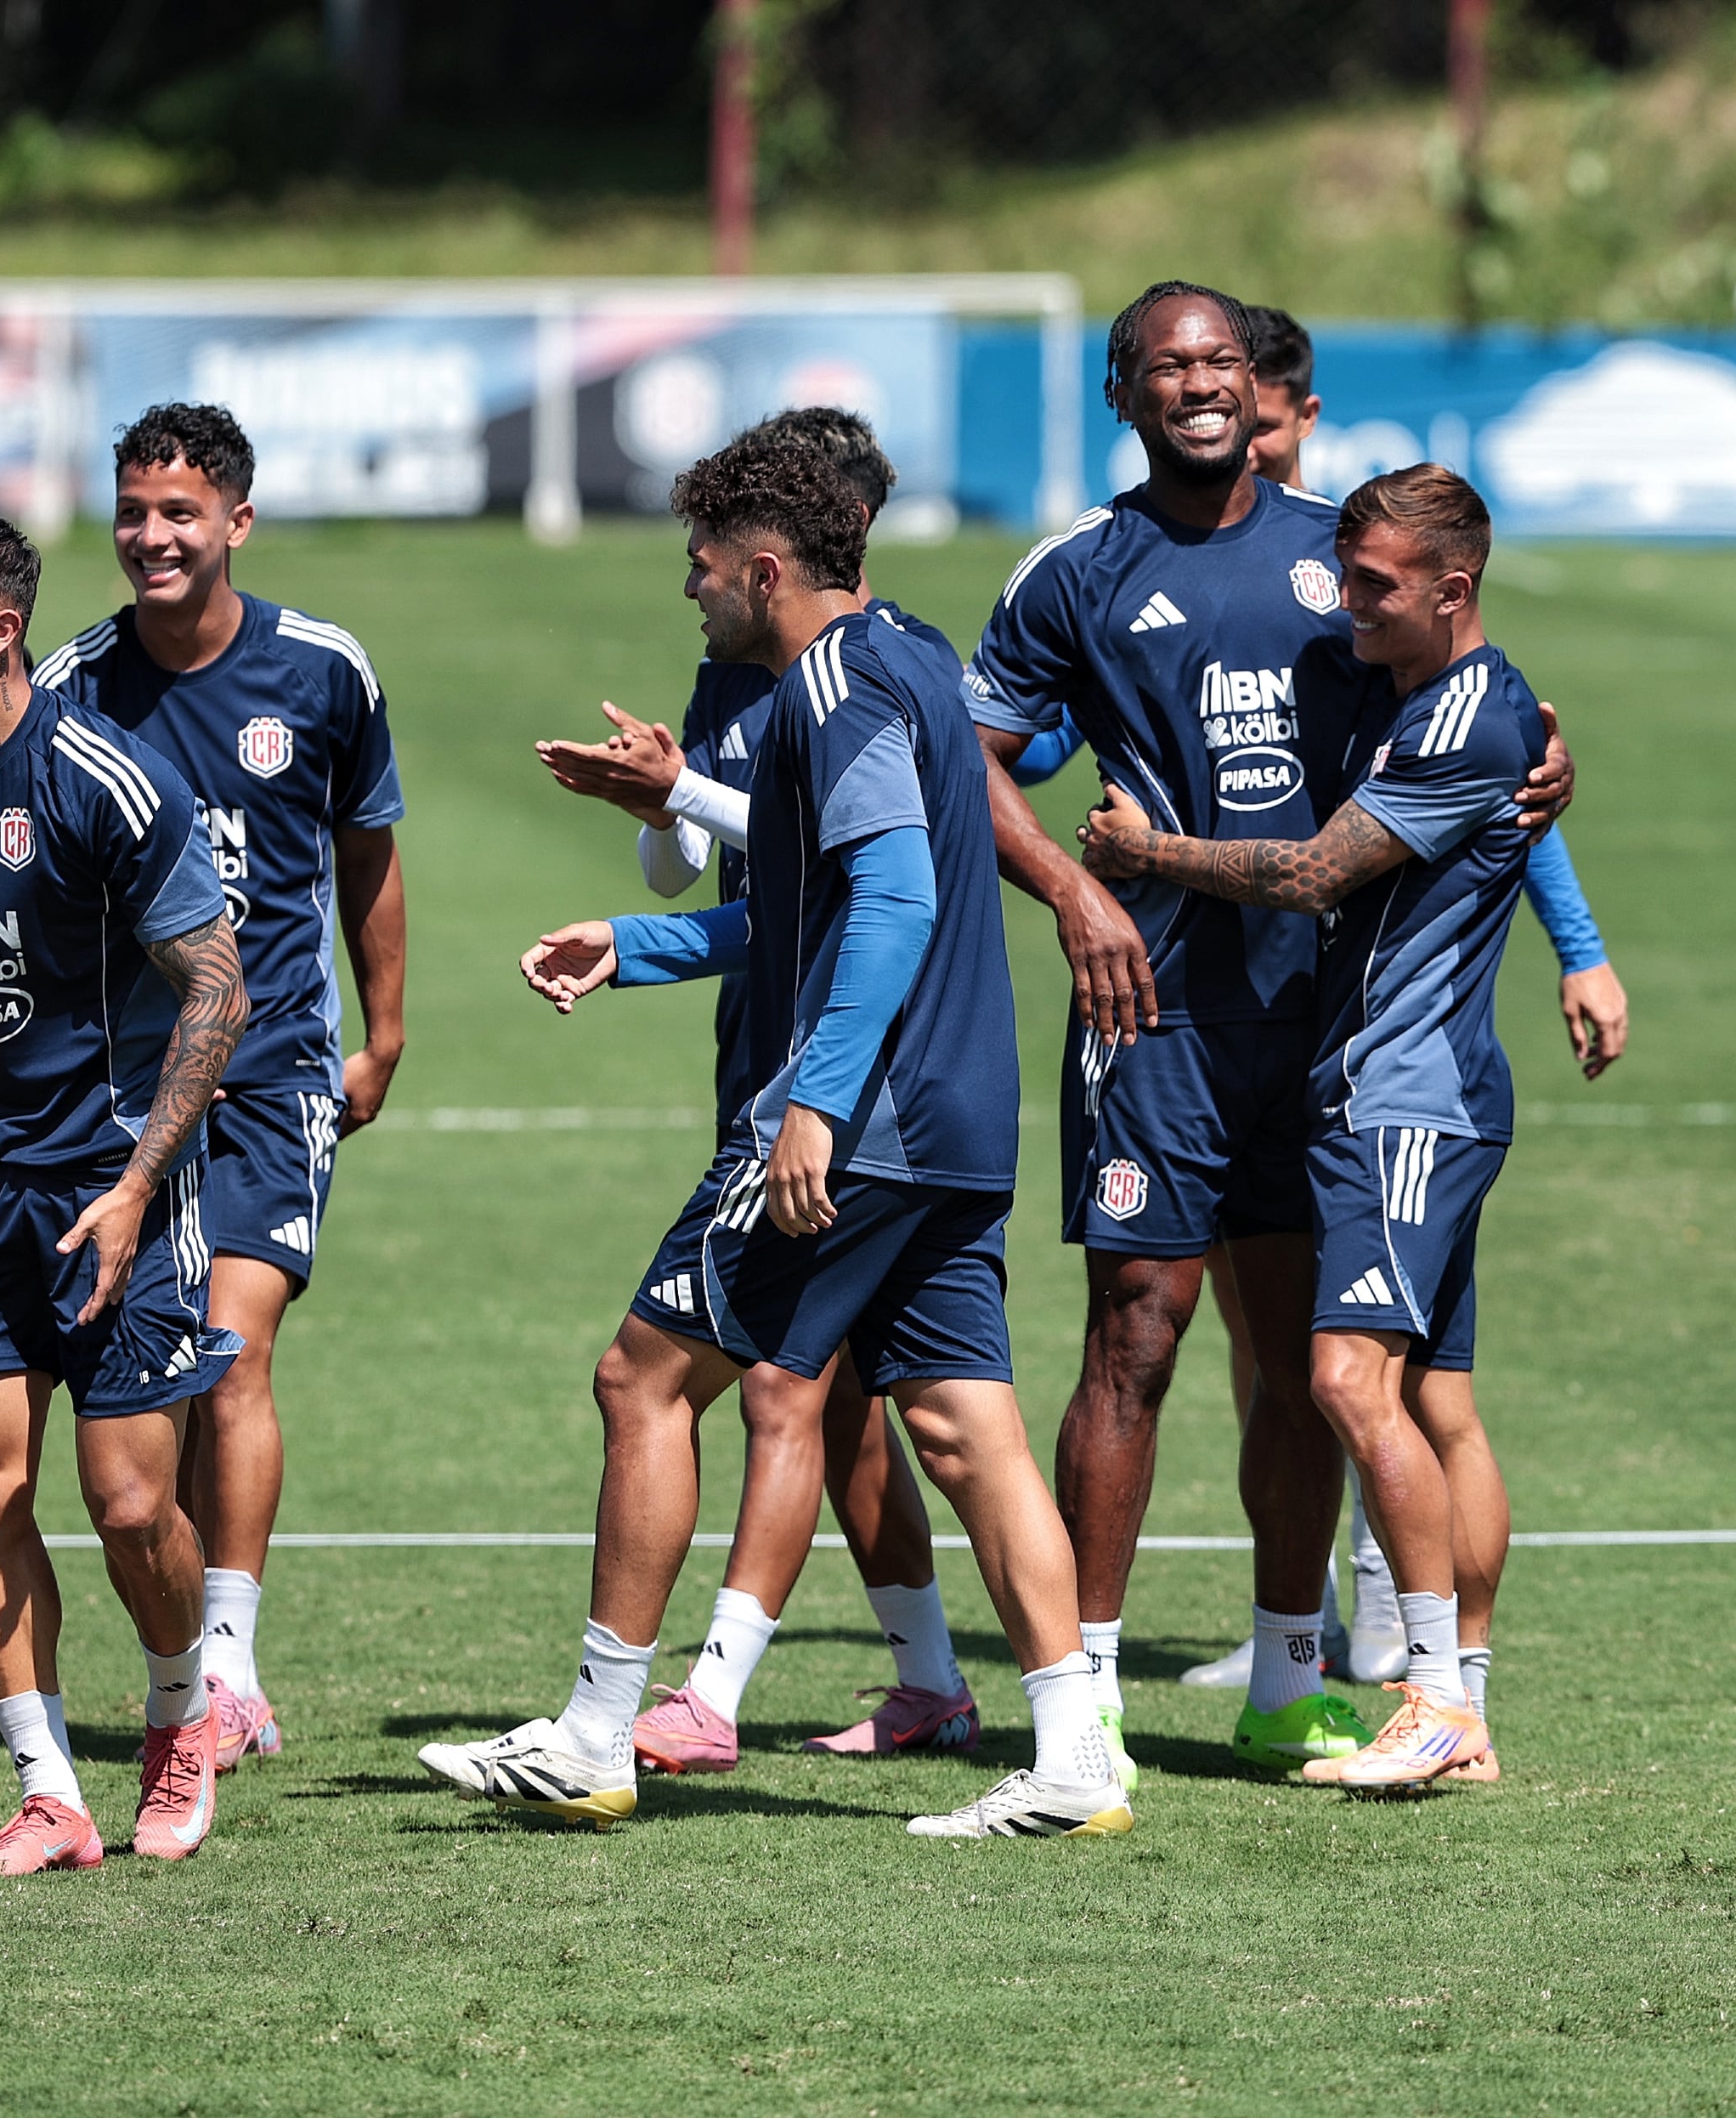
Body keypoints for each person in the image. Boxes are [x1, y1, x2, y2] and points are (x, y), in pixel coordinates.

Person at [419, 433, 1126, 1838]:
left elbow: (897, 902)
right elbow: (812, 909)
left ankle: (596, 1734)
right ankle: (1074, 1757)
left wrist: (814, 1102)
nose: (689, 590)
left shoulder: (833, 685)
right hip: (956, 1117)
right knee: (964, 1426)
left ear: (761, 569)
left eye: (700, 566)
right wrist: (637, 944)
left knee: (640, 1381)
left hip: (862, 1121)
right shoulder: (912, 654)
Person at [965, 283, 1569, 1785]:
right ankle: (1086, 1691)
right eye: (1167, 366)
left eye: (1220, 361)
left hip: (1320, 1024)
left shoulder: (1339, 556)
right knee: (1135, 1332)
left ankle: (1289, 1677)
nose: (1198, 385)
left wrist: (1551, 761)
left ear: (1259, 384)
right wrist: (1073, 894)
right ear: (1124, 393)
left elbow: (1475, 703)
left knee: (1308, 1356)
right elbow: (967, 762)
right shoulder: (1075, 570)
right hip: (1151, 1012)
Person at [0, 403, 408, 1773]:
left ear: (237, 520)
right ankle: (127, 1632)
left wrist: (383, 1030)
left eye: (179, 512)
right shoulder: (72, 680)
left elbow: (367, 851)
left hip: (272, 1062)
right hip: (123, 1087)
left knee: (233, 1353)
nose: (151, 536)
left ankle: (224, 1666)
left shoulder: (322, 671)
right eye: (132, 512)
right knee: (133, 1388)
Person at [1081, 462, 1547, 1787]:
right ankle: (1463, 1708)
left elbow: (1308, 872)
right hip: (1407, 1098)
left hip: (1406, 1101)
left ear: (1453, 588)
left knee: (1343, 1383)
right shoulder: (1428, 695)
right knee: (1430, 1401)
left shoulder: (1467, 719)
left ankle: (1437, 1699)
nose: (1348, 606)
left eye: (1375, 587)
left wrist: (1146, 854)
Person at [534, 405, 980, 1767]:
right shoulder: (741, 668)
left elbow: (864, 882)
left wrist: (682, 793)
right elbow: (725, 877)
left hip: (843, 1086)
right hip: (779, 1058)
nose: (693, 579)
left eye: (708, 554)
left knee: (751, 1383)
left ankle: (696, 1701)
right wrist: (654, 843)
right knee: (889, 1415)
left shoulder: (871, 669)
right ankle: (967, 1693)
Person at [0, 512, 250, 1876]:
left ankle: (181, 1719)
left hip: (107, 1179)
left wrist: (141, 1184)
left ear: (0, 629)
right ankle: (48, 1793)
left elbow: (218, 987)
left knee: (132, 1504)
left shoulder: (104, 782)